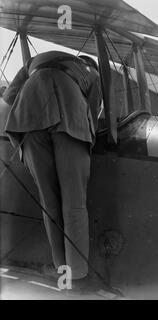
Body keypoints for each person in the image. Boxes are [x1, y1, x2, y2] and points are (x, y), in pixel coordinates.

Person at [2, 51, 101, 284]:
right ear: (89, 64)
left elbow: (8, 98)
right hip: (70, 121)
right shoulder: (92, 73)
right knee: (73, 203)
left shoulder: (33, 62)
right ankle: (75, 274)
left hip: (29, 119)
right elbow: (93, 115)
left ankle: (61, 269)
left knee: (49, 202)